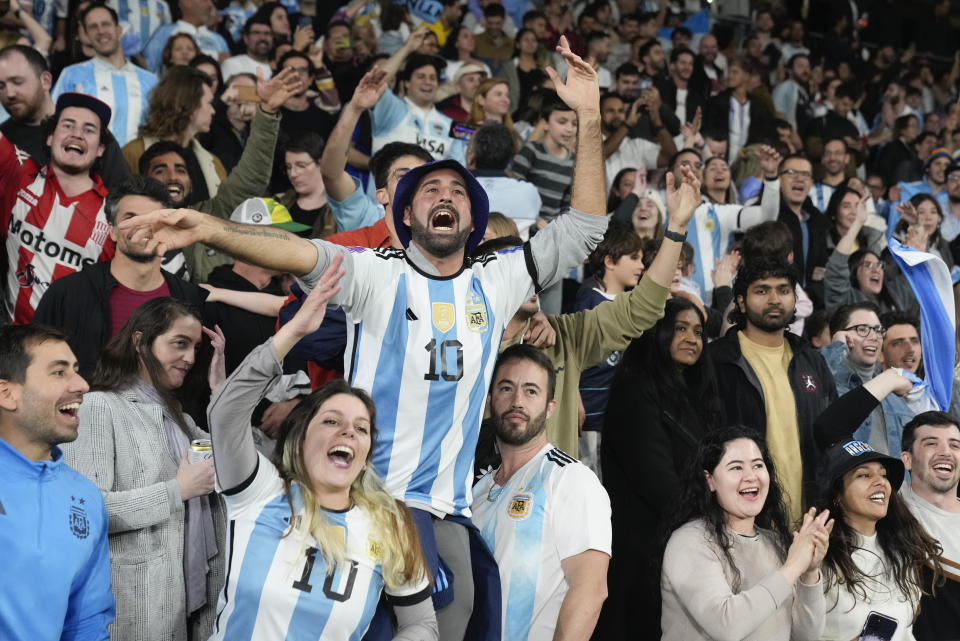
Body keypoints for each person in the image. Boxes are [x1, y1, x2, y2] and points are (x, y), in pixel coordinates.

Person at [122, 35, 606, 641]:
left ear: (473, 221)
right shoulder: (377, 271)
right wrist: (207, 228)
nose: (444, 196)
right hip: (355, 506)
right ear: (404, 215)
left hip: (439, 519)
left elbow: (586, 225)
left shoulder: (501, 276)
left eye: (457, 190)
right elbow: (296, 251)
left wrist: (588, 115)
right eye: (429, 189)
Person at [206, 257, 437, 639]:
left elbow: (421, 624)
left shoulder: (389, 524)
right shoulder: (259, 490)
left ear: (366, 453)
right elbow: (226, 413)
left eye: (360, 428)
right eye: (331, 421)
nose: (347, 432)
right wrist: (294, 330)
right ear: (301, 436)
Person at [60, 297, 225, 640]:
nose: (191, 358)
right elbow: (82, 515)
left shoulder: (179, 417)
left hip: (187, 610)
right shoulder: (97, 407)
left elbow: (235, 458)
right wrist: (176, 491)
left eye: (195, 347)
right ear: (139, 341)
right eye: (180, 343)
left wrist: (223, 394)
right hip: (129, 615)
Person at [597, 297, 722, 640]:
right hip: (642, 549)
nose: (692, 339)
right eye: (679, 328)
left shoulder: (698, 394)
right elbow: (655, 479)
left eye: (698, 332)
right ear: (657, 332)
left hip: (683, 541)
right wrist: (711, 517)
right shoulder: (635, 388)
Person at [472, 344, 611, 641]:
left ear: (551, 407)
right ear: (489, 400)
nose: (517, 401)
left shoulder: (571, 479)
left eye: (531, 391)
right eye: (506, 389)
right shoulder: (477, 491)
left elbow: (590, 590)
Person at [660, 426, 832, 641]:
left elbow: (806, 637)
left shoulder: (775, 543)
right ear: (709, 480)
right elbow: (727, 626)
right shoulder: (689, 541)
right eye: (736, 468)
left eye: (758, 466)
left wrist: (809, 573)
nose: (751, 477)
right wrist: (793, 566)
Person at [0, 324, 114, 641]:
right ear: (7, 393)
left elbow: (86, 622)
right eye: (59, 373)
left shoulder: (85, 497)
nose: (82, 385)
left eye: (76, 371)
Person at [31, 177, 210, 378]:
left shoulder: (190, 299)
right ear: (112, 231)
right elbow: (34, 367)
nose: (141, 225)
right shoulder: (67, 294)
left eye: (152, 219)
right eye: (130, 218)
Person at [708, 256, 839, 523]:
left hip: (809, 521)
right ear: (741, 302)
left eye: (783, 290)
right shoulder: (717, 361)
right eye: (761, 290)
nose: (774, 299)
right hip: (743, 522)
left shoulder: (812, 360)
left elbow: (832, 437)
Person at [1, 92, 115, 324]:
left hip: (71, 352)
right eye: (68, 125)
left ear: (101, 148)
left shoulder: (116, 214)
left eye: (89, 130)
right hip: (10, 343)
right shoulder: (20, 173)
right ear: (50, 137)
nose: (77, 134)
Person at [817, 438, 942, 641]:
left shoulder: (903, 551)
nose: (880, 481)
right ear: (837, 495)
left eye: (883, 475)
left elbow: (905, 632)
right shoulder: (818, 556)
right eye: (864, 475)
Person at [0, 44, 131, 188]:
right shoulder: (3, 140)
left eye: (17, 82)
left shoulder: (90, 133)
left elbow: (122, 197)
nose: (9, 93)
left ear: (46, 81)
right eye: (1, 86)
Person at [573, 227, 646, 474]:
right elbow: (571, 354)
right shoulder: (589, 302)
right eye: (634, 258)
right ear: (609, 261)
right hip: (591, 416)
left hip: (622, 416)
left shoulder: (634, 304)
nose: (642, 265)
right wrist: (574, 398)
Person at [52, 4, 159, 148]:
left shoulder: (150, 80)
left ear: (119, 30)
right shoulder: (72, 74)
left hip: (139, 165)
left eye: (105, 24)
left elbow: (160, 127)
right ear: (87, 35)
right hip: (93, 166)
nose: (101, 31)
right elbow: (54, 121)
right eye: (93, 27)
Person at [820, 302, 915, 455]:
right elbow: (817, 375)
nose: (874, 337)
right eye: (862, 329)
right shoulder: (826, 386)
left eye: (878, 330)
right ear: (840, 335)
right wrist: (837, 347)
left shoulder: (895, 394)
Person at [899, 411, 960, 639]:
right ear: (907, 459)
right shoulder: (889, 511)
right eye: (931, 443)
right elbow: (829, 430)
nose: (945, 452)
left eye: (955, 445)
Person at [122, 66, 222, 200]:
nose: (213, 111)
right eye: (209, 103)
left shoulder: (214, 164)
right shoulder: (133, 154)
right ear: (190, 105)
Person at [465, 121, 540, 237]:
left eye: (468, 145)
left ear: (471, 157)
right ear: (510, 157)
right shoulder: (529, 191)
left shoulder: (460, 190)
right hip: (517, 253)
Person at [511, 95, 577, 225]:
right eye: (562, 122)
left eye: (574, 124)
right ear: (545, 124)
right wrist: (536, 221)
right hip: (523, 224)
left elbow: (567, 205)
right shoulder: (531, 151)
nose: (569, 129)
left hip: (552, 231)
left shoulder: (574, 162)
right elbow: (514, 191)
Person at [143, 0, 229, 74]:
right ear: (186, 2)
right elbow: (148, 69)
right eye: (204, 0)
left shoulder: (219, 40)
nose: (210, 5)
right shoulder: (163, 34)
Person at [219, 14, 273, 81]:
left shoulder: (281, 67)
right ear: (246, 38)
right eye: (256, 33)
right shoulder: (232, 65)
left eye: (267, 33)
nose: (262, 38)